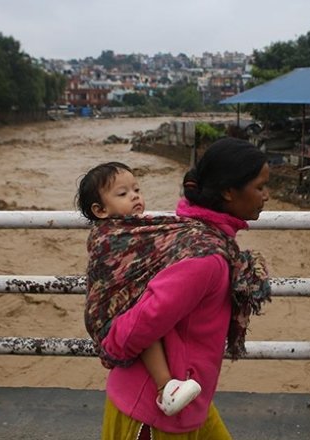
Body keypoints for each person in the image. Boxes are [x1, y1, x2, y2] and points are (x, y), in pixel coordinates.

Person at [93, 138, 272, 439]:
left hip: (188, 400)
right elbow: (138, 324)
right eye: (260, 187)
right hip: (154, 410)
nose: (266, 196)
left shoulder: (195, 233)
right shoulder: (206, 258)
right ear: (229, 191)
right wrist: (110, 345)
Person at [78, 162, 202, 417]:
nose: (134, 196)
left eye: (136, 189)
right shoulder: (109, 236)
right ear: (100, 210)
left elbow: (165, 248)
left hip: (132, 306)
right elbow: (116, 275)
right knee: (143, 325)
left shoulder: (144, 228)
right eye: (122, 194)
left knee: (146, 316)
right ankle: (164, 388)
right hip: (112, 313)